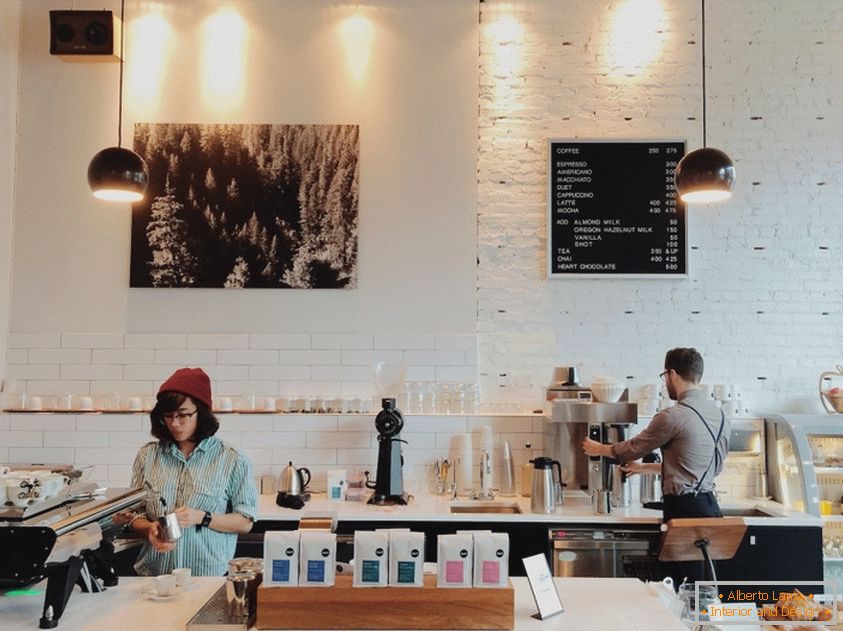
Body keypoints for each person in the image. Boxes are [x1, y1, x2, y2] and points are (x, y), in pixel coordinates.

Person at [124, 367, 258, 576]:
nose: (175, 424)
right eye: (168, 416)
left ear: (201, 412)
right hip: (154, 579)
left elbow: (245, 521)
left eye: (183, 415)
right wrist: (148, 529)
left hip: (208, 579)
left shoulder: (232, 459)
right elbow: (133, 515)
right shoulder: (148, 456)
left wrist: (201, 517)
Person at [582, 347, 729, 522]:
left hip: (683, 511)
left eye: (665, 376)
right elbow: (700, 469)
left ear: (672, 374)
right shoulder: (721, 417)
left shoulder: (672, 416)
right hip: (711, 509)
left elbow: (633, 449)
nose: (665, 382)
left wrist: (599, 448)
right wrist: (642, 468)